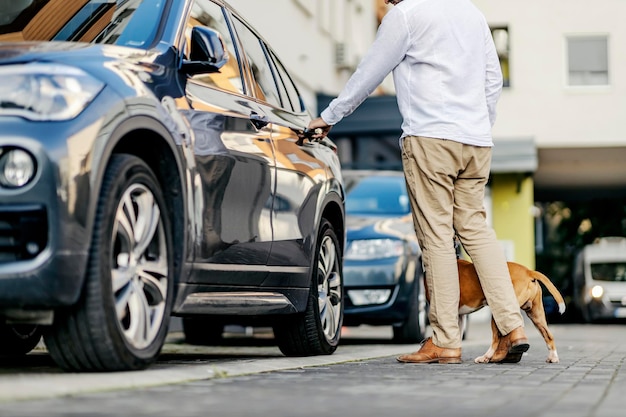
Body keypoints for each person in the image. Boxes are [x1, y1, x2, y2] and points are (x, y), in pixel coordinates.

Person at [307, 0, 528, 364]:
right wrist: (479, 126)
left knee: (437, 237)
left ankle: (445, 340)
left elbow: (370, 72)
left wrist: (330, 116)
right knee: (476, 229)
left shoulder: (406, 15)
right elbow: (494, 79)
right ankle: (511, 327)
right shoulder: (472, 13)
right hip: (476, 141)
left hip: (430, 138)